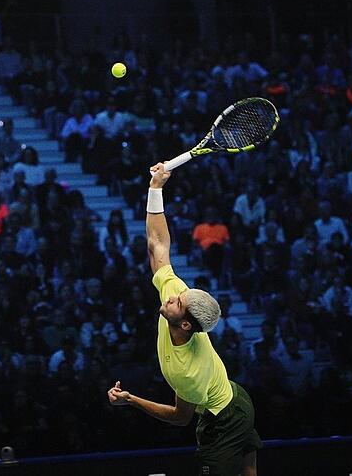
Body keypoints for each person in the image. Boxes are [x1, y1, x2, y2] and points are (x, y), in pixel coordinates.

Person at [107, 162, 261, 476]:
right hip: (232, 396)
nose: (173, 296)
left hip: (225, 418)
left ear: (186, 324)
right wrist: (155, 188)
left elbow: (180, 417)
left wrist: (132, 400)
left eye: (178, 302)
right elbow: (158, 245)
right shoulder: (176, 294)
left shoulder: (188, 373)